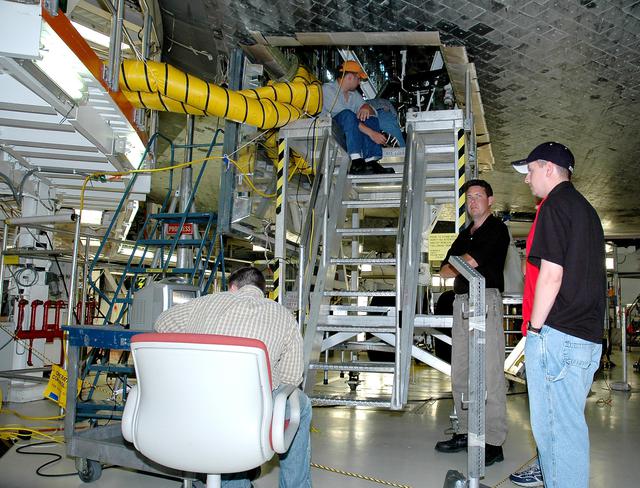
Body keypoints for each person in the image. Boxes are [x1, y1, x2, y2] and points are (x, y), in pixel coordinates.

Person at [154, 267, 312, 488]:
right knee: (301, 406)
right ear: (263, 291)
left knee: (225, 425)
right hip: (249, 412)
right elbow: (291, 378)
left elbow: (162, 323)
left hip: (194, 407)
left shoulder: (204, 303)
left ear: (232, 288)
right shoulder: (283, 316)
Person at [512, 142, 605, 488]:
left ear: (549, 168)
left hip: (559, 337)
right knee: (568, 430)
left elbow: (551, 275)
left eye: (531, 171)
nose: (527, 180)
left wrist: (534, 331)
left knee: (555, 435)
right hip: (586, 338)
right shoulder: (586, 210)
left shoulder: (553, 206)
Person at [434, 179, 510, 467]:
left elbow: (469, 263)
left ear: (490, 200)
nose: (473, 201)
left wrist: (458, 264)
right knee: (461, 370)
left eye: (478, 196)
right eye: (469, 197)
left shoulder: (497, 229)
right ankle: (465, 431)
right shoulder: (465, 233)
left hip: (485, 299)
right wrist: (459, 264)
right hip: (461, 301)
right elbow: (443, 270)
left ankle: (493, 441)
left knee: (490, 372)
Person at [322, 60, 394, 175]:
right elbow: (347, 118)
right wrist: (372, 133)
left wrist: (365, 106)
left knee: (369, 118)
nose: (359, 82)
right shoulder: (327, 89)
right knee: (348, 114)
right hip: (334, 133)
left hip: (352, 134)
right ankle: (356, 161)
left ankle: (370, 161)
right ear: (350, 77)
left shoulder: (353, 94)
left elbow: (373, 112)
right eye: (358, 79)